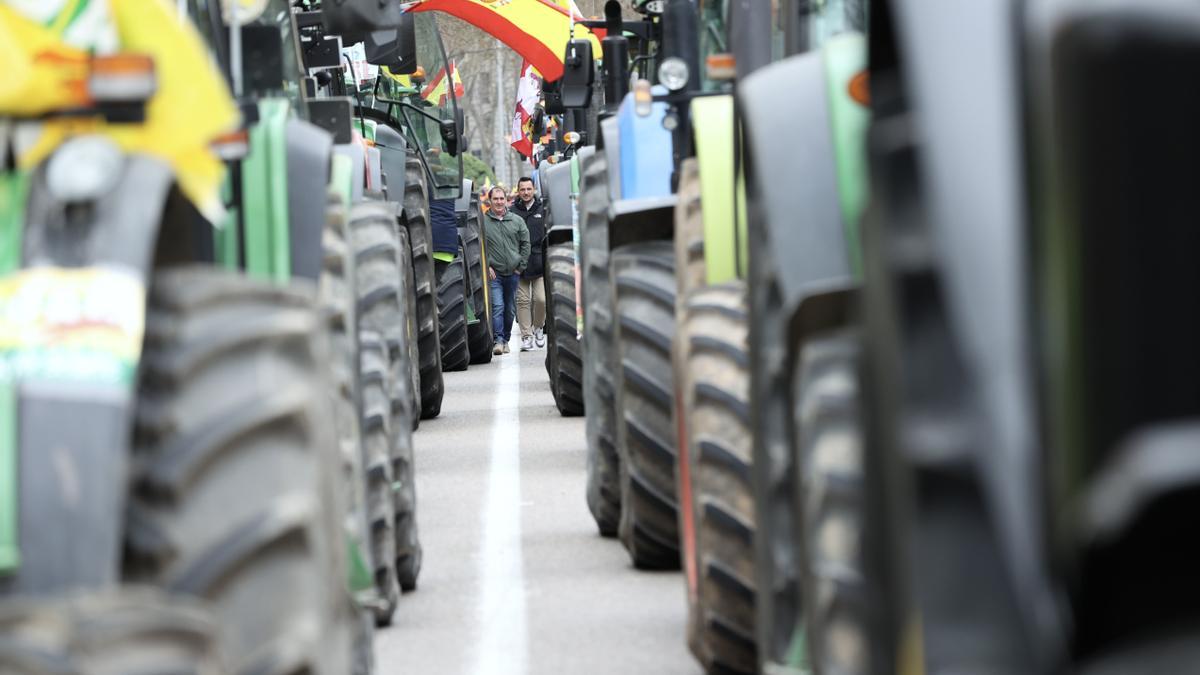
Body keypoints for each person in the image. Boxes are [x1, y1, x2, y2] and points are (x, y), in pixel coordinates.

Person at [484, 185, 530, 354]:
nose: (498, 202)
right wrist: (486, 264)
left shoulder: (516, 220)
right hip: (494, 273)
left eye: (501, 198)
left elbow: (526, 243)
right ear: (489, 200)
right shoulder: (483, 221)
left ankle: (506, 339)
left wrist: (520, 266)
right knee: (498, 306)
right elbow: (480, 246)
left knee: (510, 308)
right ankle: (497, 340)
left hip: (513, 273)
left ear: (506, 200)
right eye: (495, 199)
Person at [511, 176, 547, 351]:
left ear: (533, 190)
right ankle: (527, 336)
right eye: (522, 189)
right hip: (519, 264)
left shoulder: (543, 209)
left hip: (540, 262)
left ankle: (539, 327)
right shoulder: (512, 212)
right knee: (523, 301)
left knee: (540, 299)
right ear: (518, 191)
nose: (525, 192)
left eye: (528, 189)